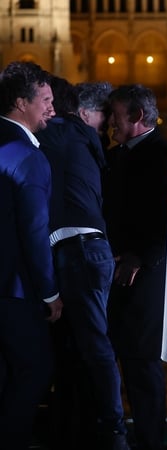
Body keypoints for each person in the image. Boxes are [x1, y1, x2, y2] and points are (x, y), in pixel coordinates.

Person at [36, 76, 129, 450]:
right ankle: (96, 426)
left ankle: (111, 430)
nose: (107, 124)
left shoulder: (63, 134)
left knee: (89, 345)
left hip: (77, 251)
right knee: (87, 345)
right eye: (104, 115)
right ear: (87, 111)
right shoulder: (85, 142)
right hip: (88, 250)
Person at [103, 84, 167, 450]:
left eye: (115, 114)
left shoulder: (164, 156)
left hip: (145, 278)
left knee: (142, 365)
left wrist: (141, 258)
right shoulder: (119, 156)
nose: (111, 121)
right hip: (117, 273)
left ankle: (150, 441)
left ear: (136, 117)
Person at [0, 60, 63, 450]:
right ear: (22, 103)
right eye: (45, 100)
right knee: (36, 369)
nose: (51, 109)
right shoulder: (28, 157)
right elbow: (35, 232)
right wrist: (50, 293)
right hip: (16, 289)